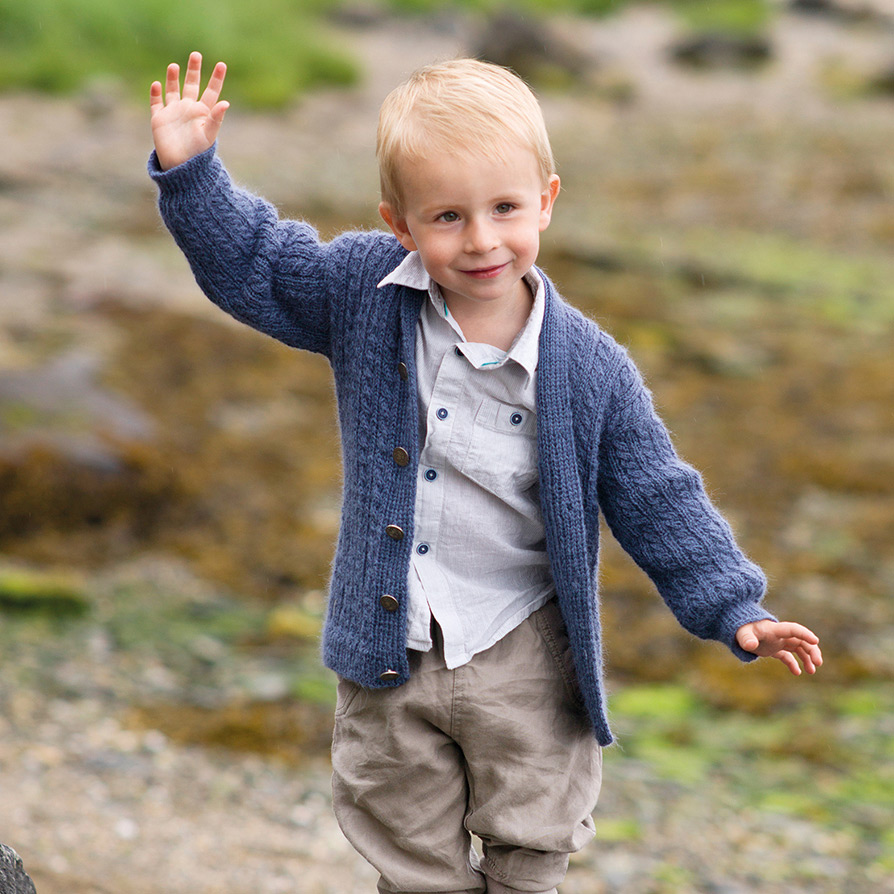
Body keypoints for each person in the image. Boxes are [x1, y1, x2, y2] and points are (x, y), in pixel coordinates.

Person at [148, 52, 823, 894]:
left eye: (505, 208)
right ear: (400, 224)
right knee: (407, 849)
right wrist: (191, 172)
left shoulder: (591, 367)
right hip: (392, 640)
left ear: (546, 200)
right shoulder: (364, 292)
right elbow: (258, 264)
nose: (480, 240)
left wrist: (734, 607)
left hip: (526, 648)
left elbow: (657, 495)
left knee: (533, 844)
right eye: (447, 217)